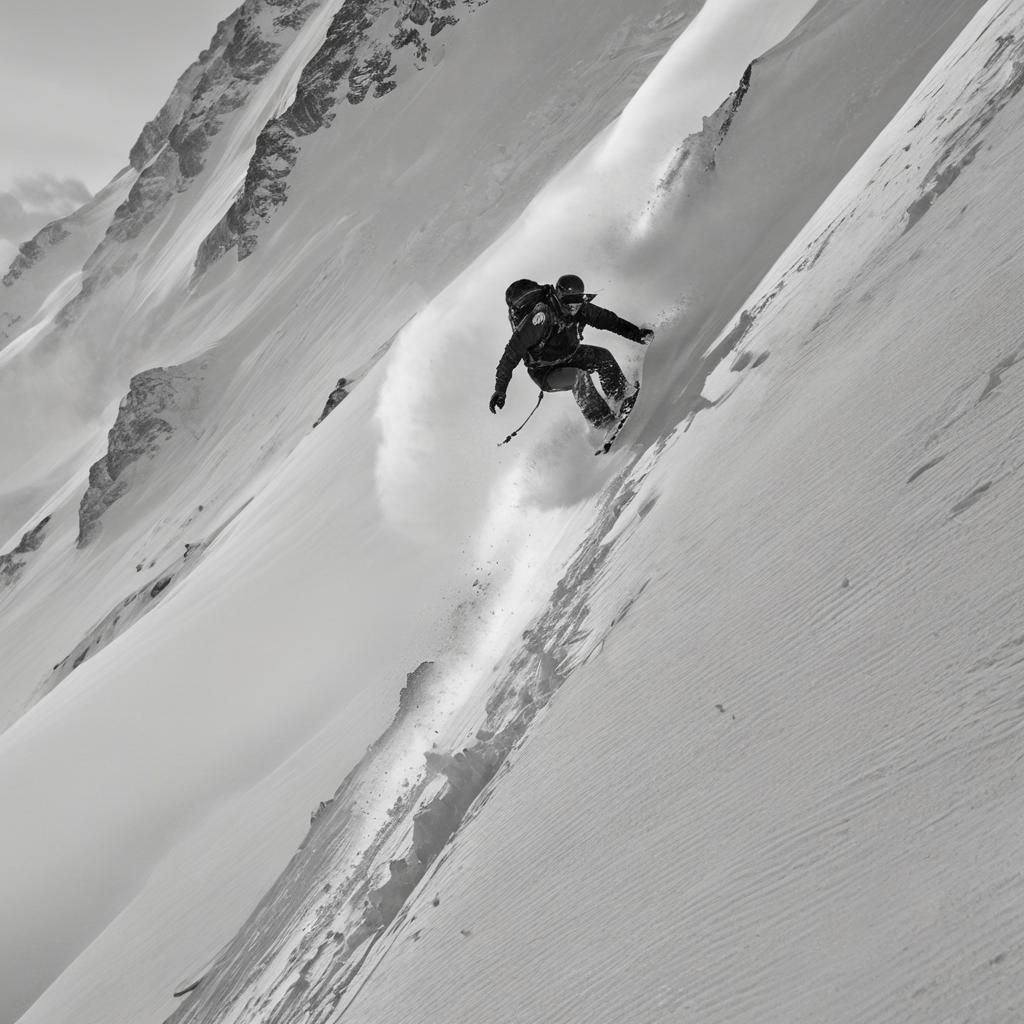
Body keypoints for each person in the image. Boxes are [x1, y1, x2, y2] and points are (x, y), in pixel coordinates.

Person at [489, 274, 653, 429]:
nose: (574, 305)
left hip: (570, 355)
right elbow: (512, 353)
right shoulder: (540, 316)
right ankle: (603, 422)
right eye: (569, 300)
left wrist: (638, 335)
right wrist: (500, 389)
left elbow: (609, 321)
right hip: (545, 371)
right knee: (578, 377)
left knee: (603, 357)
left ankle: (621, 396)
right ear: (558, 297)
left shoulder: (581, 308)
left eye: (577, 299)